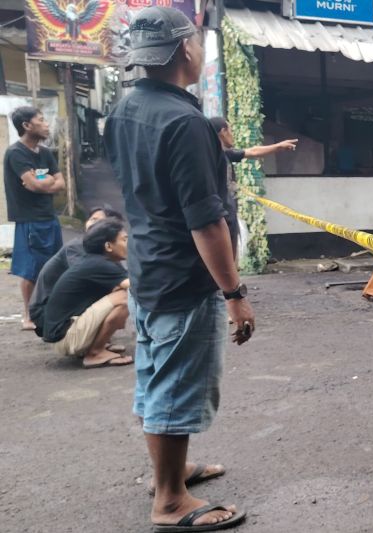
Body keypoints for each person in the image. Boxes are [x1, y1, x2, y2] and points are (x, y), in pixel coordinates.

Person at [104, 6, 252, 532]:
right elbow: (206, 222)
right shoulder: (185, 121)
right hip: (185, 277)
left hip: (148, 267)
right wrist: (233, 292)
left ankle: (172, 472)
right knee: (176, 384)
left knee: (155, 376)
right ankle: (170, 500)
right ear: (186, 49)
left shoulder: (123, 111)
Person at [3, 106, 65, 331]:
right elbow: (34, 184)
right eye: (41, 120)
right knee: (31, 269)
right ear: (27, 126)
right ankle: (27, 315)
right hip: (29, 219)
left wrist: (43, 183)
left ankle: (48, 309)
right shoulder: (16, 153)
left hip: (50, 217)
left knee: (53, 265)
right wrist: (46, 182)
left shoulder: (45, 153)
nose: (46, 124)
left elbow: (60, 183)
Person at [41, 218, 133, 368]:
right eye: (124, 240)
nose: (128, 244)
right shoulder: (100, 264)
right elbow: (136, 286)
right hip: (66, 338)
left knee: (120, 293)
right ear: (109, 246)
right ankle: (95, 353)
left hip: (64, 334)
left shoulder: (95, 261)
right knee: (125, 297)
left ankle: (97, 346)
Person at [207, 116, 297, 258]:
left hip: (224, 213)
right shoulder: (213, 157)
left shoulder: (224, 154)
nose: (233, 134)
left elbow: (253, 151)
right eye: (231, 130)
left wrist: (278, 147)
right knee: (226, 257)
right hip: (221, 215)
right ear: (223, 131)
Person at [29, 206, 124, 336]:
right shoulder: (78, 247)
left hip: (60, 311)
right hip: (45, 313)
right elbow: (91, 280)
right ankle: (94, 348)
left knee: (115, 289)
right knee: (118, 294)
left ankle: (96, 342)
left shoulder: (101, 252)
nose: (93, 223)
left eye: (100, 221)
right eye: (92, 219)